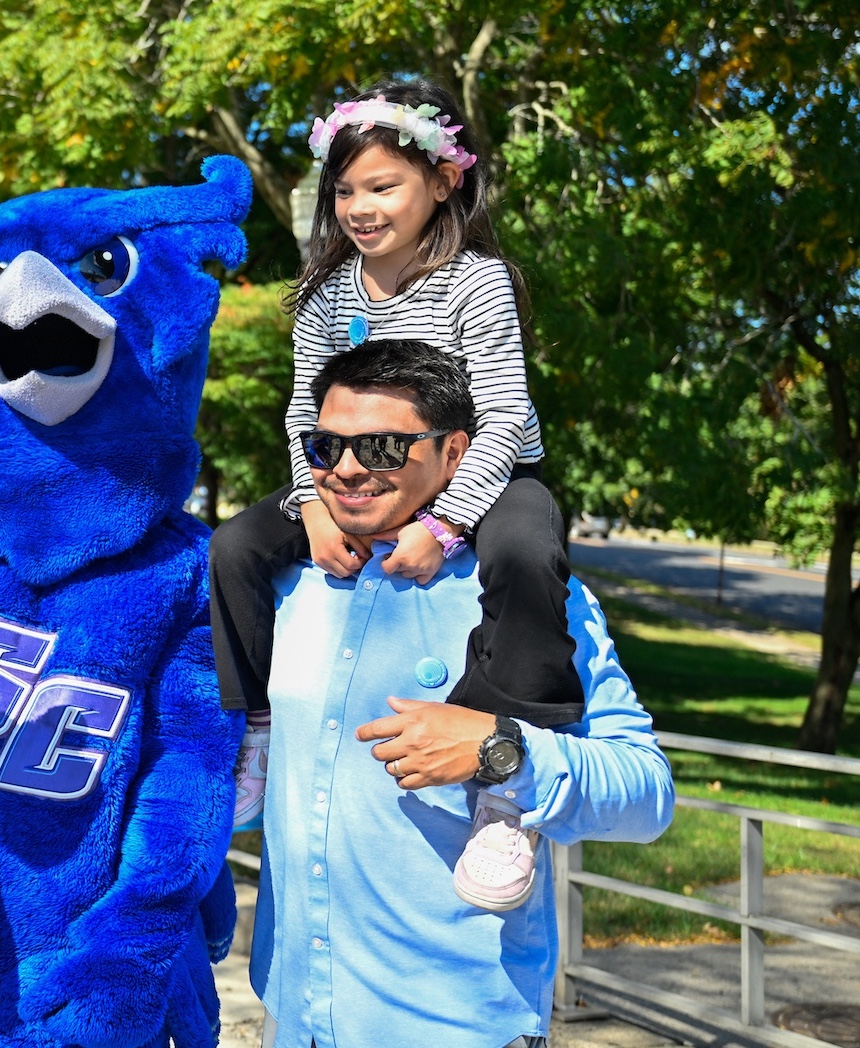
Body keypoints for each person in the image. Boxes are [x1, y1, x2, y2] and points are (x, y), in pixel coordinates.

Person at [210, 76, 585, 910]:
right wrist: (310, 502)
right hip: (350, 473)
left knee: (526, 553)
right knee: (234, 547)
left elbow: (504, 411)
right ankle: (258, 733)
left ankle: (503, 789)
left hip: (482, 472)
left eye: (383, 185)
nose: (360, 206)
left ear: (443, 182)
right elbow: (304, 405)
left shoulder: (476, 280)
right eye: (344, 189)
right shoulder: (326, 292)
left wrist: (449, 524)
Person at [248, 339, 673, 1048]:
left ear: (455, 454)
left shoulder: (527, 596)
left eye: (383, 447)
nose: (348, 469)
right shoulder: (285, 587)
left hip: (457, 1027)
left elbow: (648, 793)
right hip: (293, 1015)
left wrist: (500, 749)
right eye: (326, 447)